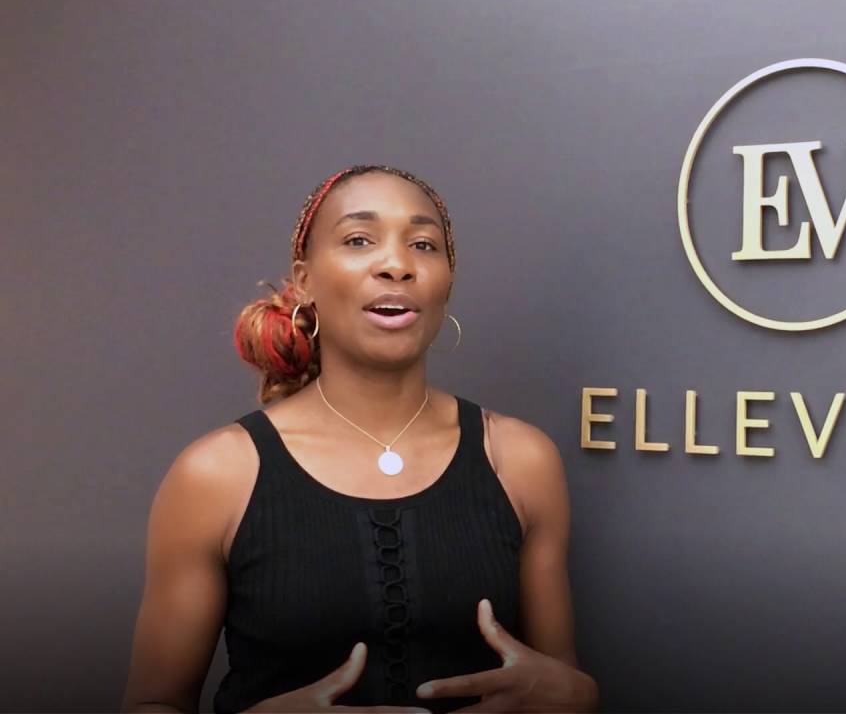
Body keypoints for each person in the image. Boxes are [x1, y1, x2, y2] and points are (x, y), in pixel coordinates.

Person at [121, 164, 599, 713]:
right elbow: (151, 703)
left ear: (447, 282)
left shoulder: (519, 459)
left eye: (423, 245)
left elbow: (563, 687)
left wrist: (578, 694)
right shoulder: (216, 475)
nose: (397, 264)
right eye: (358, 240)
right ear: (304, 280)